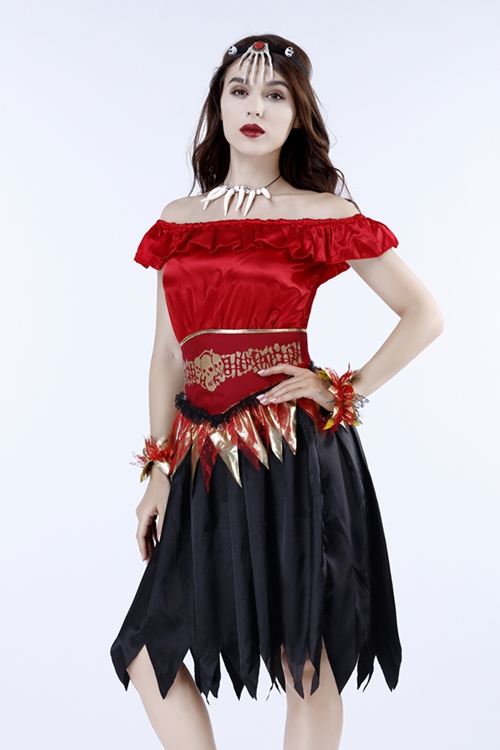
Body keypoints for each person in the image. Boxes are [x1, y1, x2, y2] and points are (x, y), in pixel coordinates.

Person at [110, 34, 443, 750]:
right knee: (145, 649)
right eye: (239, 91)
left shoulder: (321, 212)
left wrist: (341, 388)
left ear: (297, 116)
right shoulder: (178, 219)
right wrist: (159, 469)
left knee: (306, 658)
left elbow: (424, 315)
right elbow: (167, 354)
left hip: (294, 452)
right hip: (200, 457)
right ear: (218, 107)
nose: (254, 107)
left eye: (274, 95)